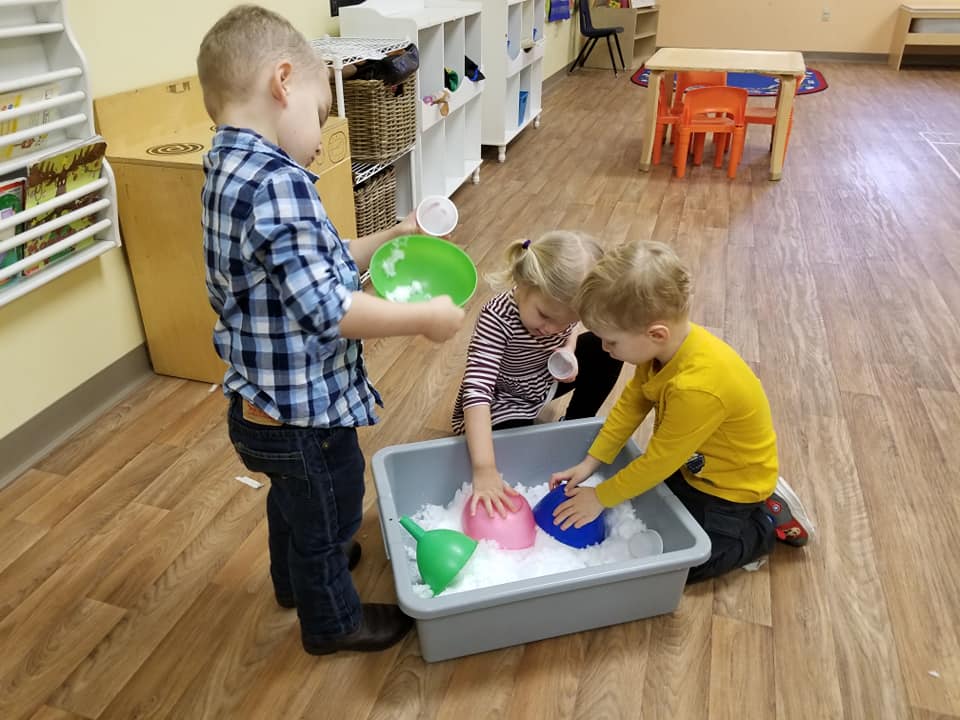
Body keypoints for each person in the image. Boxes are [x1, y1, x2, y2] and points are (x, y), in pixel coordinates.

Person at [197, 5, 465, 654]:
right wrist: (425, 319)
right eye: (320, 114)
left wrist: (390, 237)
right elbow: (330, 309)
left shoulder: (229, 168)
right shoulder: (280, 185)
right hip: (303, 417)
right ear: (283, 82)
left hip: (259, 409)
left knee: (295, 506)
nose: (322, 134)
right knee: (333, 516)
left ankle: (294, 582)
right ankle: (332, 623)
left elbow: (308, 262)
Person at [549, 240, 815, 582]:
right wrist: (590, 463)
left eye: (611, 341)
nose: (604, 349)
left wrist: (598, 497)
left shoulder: (697, 388)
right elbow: (631, 406)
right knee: (649, 510)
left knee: (681, 567)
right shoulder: (661, 351)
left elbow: (658, 461)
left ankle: (762, 525)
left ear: (656, 333)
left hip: (730, 488)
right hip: (693, 467)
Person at [452, 231, 624, 518]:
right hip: (503, 401)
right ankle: (512, 440)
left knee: (604, 349)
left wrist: (569, 350)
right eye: (544, 315)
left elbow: (568, 331)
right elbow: (477, 389)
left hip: (541, 381)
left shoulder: (559, 319)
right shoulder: (496, 318)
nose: (550, 329)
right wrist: (484, 469)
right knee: (516, 451)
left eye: (566, 321)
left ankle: (574, 423)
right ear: (523, 282)